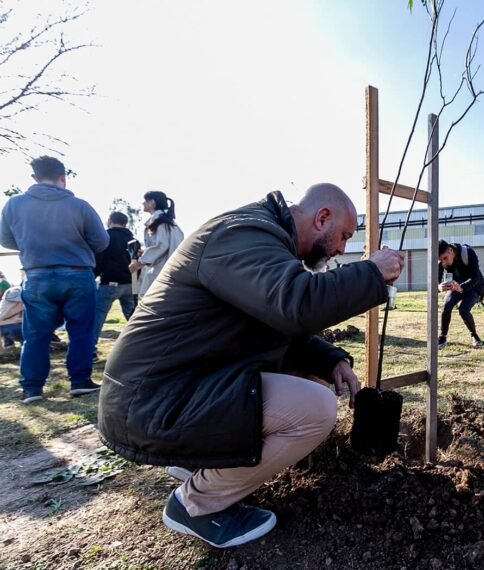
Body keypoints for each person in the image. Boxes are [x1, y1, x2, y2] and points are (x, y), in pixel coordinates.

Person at [98, 184, 404, 548]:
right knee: (315, 408)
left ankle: (204, 464)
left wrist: (329, 359)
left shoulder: (260, 236)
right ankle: (196, 505)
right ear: (322, 218)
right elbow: (296, 304)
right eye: (344, 236)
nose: (341, 248)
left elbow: (271, 322)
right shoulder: (244, 233)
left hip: (174, 388)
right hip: (154, 401)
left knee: (311, 386)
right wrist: (370, 272)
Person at [0, 156, 109, 403]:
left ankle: (32, 388)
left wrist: (33, 244)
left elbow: (6, 240)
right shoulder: (80, 206)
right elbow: (102, 242)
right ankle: (80, 381)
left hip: (37, 274)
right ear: (63, 178)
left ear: (34, 177)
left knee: (36, 333)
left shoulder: (14, 205)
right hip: (77, 272)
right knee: (80, 329)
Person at [92, 212, 137, 357]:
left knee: (97, 317)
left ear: (110, 220)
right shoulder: (133, 239)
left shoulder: (106, 237)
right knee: (133, 318)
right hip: (130, 283)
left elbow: (99, 260)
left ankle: (90, 350)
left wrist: (93, 276)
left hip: (110, 283)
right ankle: (140, 346)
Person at [128, 190, 184, 297]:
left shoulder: (160, 222)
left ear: (152, 202)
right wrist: (145, 253)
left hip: (161, 272)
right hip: (171, 272)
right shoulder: (170, 223)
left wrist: (140, 262)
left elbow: (161, 245)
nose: (143, 203)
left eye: (145, 200)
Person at [437, 240, 484, 348]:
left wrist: (461, 287)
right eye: (440, 260)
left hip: (473, 288)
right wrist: (439, 287)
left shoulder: (468, 253)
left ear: (450, 250)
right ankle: (442, 337)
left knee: (463, 310)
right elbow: (436, 281)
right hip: (455, 288)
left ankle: (475, 336)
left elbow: (476, 277)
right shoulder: (441, 262)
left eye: (445, 258)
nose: (443, 262)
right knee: (446, 305)